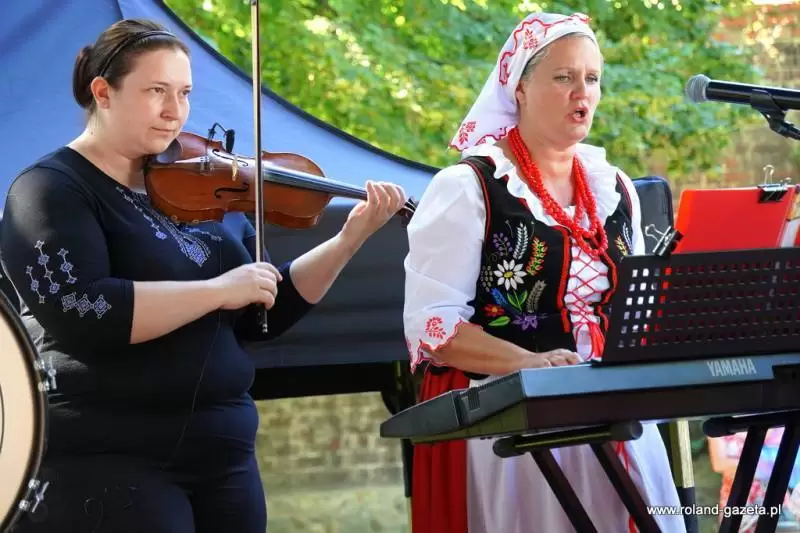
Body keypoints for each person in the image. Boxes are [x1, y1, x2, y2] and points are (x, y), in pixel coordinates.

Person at [0, 18, 406, 533]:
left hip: (224, 455)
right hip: (109, 458)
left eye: (185, 93)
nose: (175, 111)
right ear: (103, 92)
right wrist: (216, 291)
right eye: (156, 91)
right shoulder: (48, 191)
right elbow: (87, 312)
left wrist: (349, 238)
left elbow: (263, 312)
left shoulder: (201, 187)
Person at [403, 12, 685, 533]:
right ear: (520, 89)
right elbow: (433, 328)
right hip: (512, 426)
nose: (583, 92)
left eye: (592, 78)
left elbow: (638, 307)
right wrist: (529, 364)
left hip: (617, 412)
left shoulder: (615, 186)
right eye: (563, 76)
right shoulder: (468, 187)